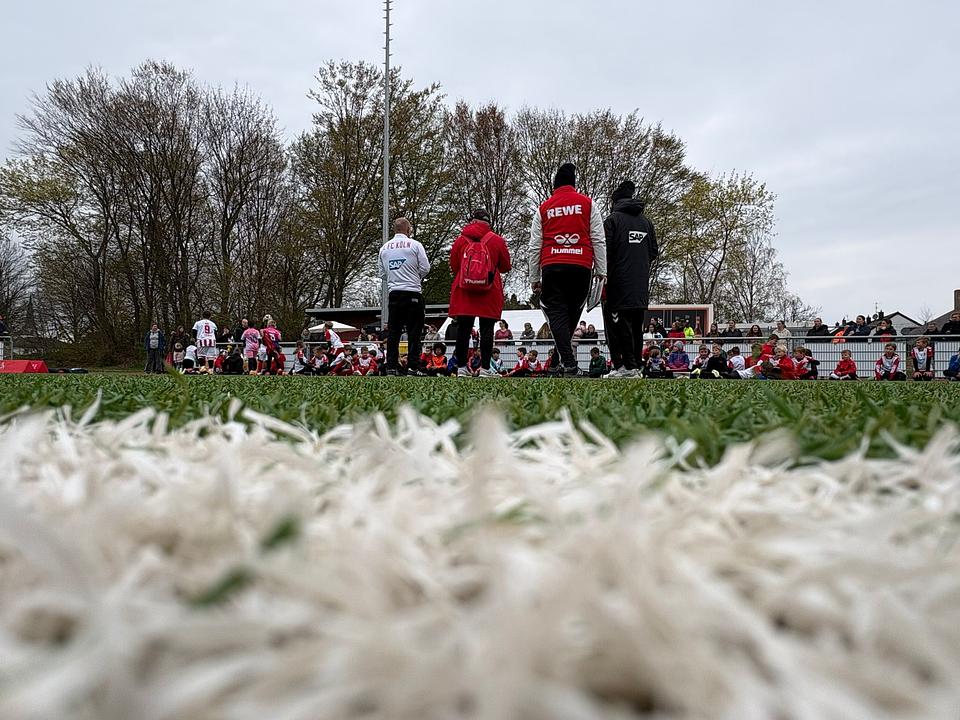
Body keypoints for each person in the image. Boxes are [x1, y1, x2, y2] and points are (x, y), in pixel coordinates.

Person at [529, 162, 607, 376]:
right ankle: (563, 361)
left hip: (552, 265)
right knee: (572, 314)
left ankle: (563, 361)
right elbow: (598, 239)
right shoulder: (588, 204)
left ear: (555, 185)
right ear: (574, 183)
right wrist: (601, 270)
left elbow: (535, 244)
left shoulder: (544, 208)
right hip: (581, 266)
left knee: (557, 314)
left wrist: (534, 276)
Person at [598, 179, 658, 378]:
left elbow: (604, 252)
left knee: (617, 326)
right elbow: (653, 252)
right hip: (640, 286)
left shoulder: (612, 220)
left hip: (617, 286)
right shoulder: (646, 222)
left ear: (615, 201)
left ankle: (623, 367)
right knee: (636, 327)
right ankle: (635, 366)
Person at [448, 208, 512, 379]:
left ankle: (461, 368)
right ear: (488, 222)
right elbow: (506, 266)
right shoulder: (496, 240)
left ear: (472, 221)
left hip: (464, 290)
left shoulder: (461, 240)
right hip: (489, 290)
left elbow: (454, 266)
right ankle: (485, 369)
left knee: (463, 330)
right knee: (487, 330)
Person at [380, 217, 431, 375]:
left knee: (394, 333)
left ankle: (391, 367)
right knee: (414, 333)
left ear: (394, 229)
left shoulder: (384, 248)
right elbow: (425, 267)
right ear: (408, 230)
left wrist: (396, 278)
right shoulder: (415, 245)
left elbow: (382, 274)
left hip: (394, 294)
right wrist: (415, 277)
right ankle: (413, 367)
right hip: (413, 292)